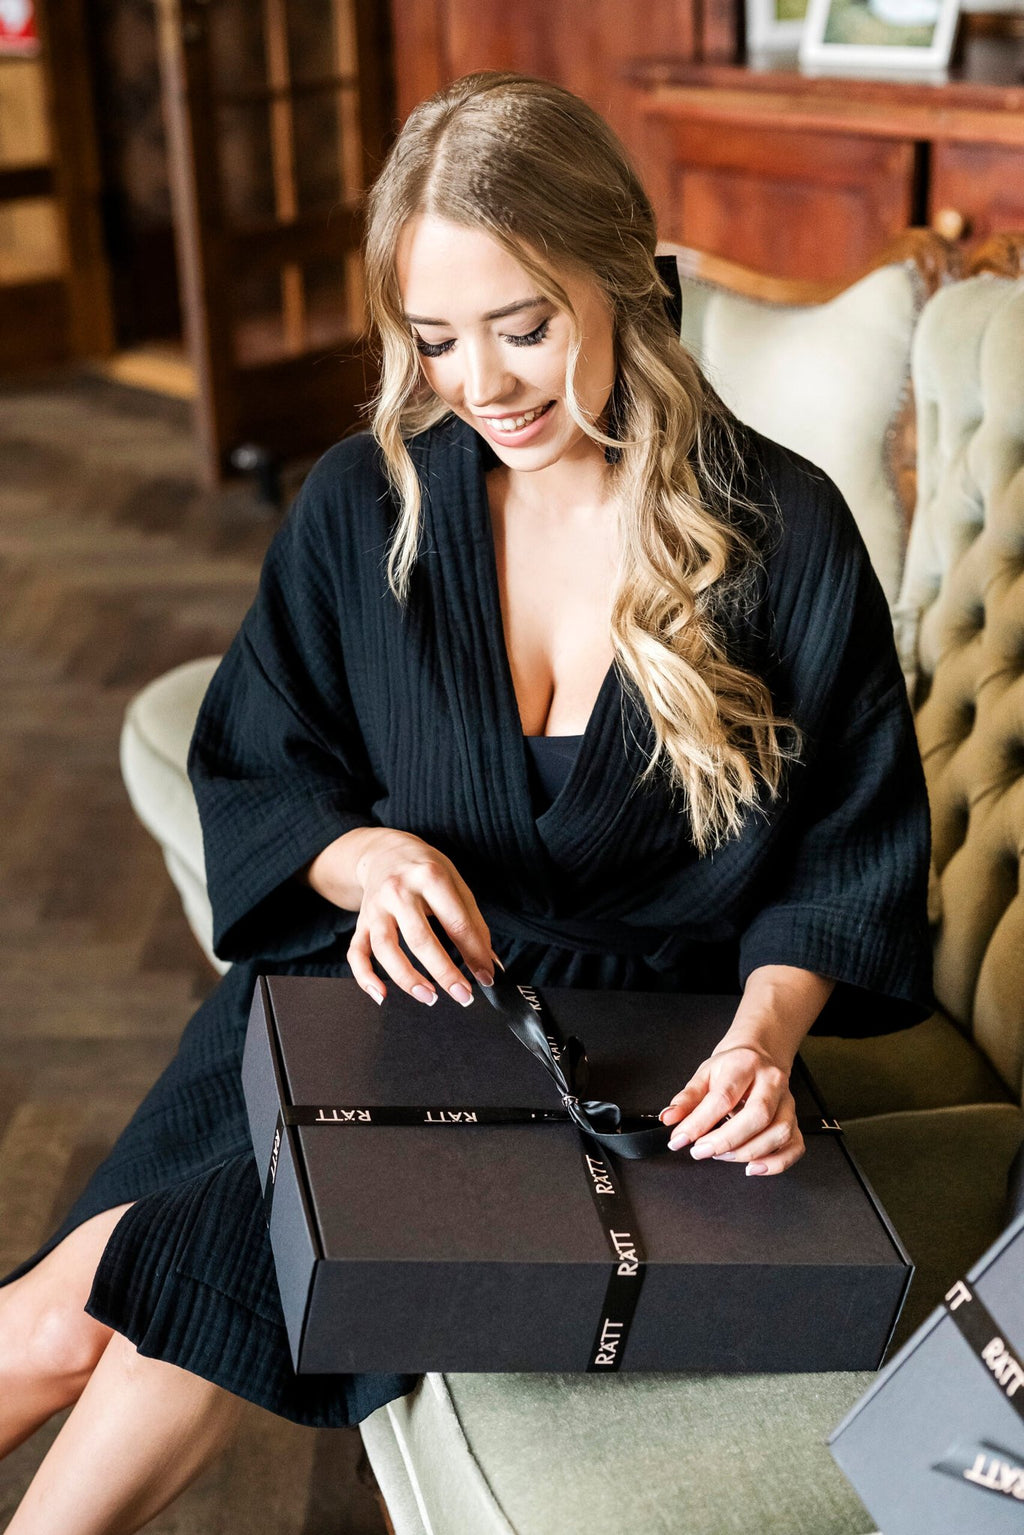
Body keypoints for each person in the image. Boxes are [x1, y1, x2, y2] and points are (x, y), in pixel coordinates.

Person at [0, 69, 932, 1532]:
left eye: (525, 326)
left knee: (159, 1308)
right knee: (54, 1322)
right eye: (435, 339)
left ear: (624, 281)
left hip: (594, 1071)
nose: (482, 385)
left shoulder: (781, 533)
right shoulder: (368, 506)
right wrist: (357, 857)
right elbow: (260, 755)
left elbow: (850, 856)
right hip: (337, 997)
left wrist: (765, 1038)